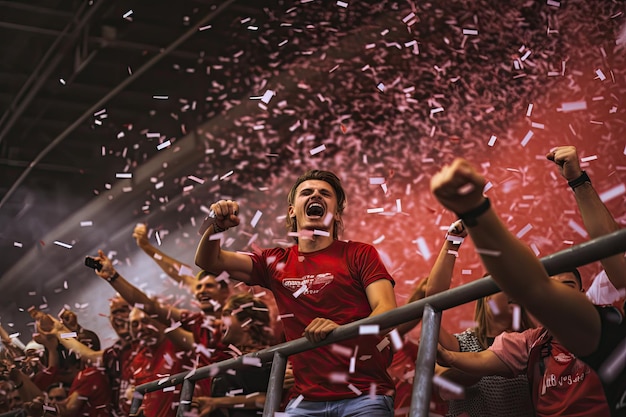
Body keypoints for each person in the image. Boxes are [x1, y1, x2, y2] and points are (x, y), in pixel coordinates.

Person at [430, 158, 626, 416]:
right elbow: (436, 304)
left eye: (568, 287)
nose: (560, 295)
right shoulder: (528, 343)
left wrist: (579, 181)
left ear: (582, 295)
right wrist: (467, 221)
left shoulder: (601, 321)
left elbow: (538, 288)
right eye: (499, 287)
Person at [195, 170, 397, 416]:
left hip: (365, 394)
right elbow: (209, 261)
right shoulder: (274, 261)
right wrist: (216, 227)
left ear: (337, 212)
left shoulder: (360, 253)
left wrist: (341, 328)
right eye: (307, 192)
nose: (316, 195)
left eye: (325, 193)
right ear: (292, 210)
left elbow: (387, 312)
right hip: (305, 400)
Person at [426, 220, 535, 417]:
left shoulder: (530, 342)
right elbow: (434, 300)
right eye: (502, 285)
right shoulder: (465, 342)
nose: (512, 290)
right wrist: (453, 241)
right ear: (485, 298)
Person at [192, 293, 289, 417]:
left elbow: (269, 399)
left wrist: (216, 403)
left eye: (226, 315)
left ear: (247, 323)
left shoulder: (270, 361)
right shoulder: (226, 362)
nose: (220, 322)